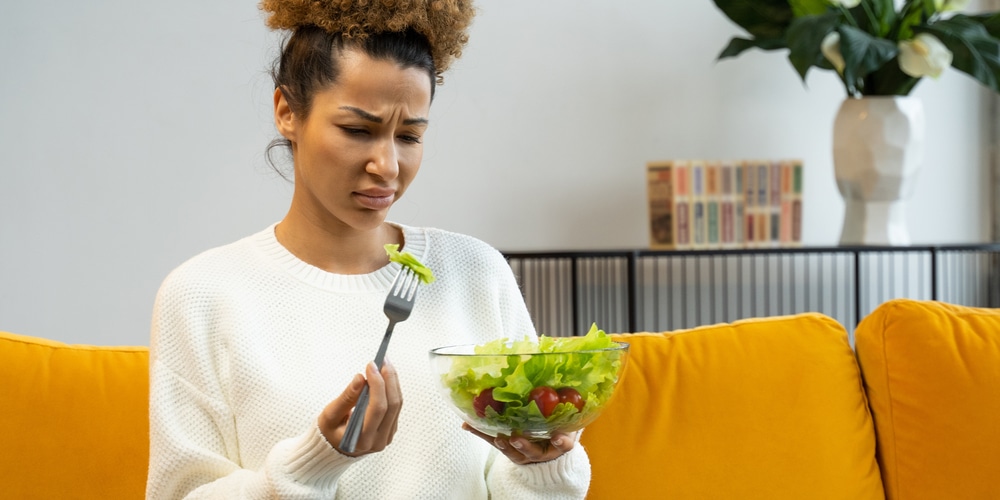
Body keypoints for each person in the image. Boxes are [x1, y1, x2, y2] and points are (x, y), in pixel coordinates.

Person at [145, 1, 592, 498]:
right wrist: (313, 463)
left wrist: (544, 466)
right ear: (287, 112)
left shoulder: (475, 272)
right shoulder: (204, 294)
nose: (388, 166)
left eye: (409, 136)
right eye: (358, 131)